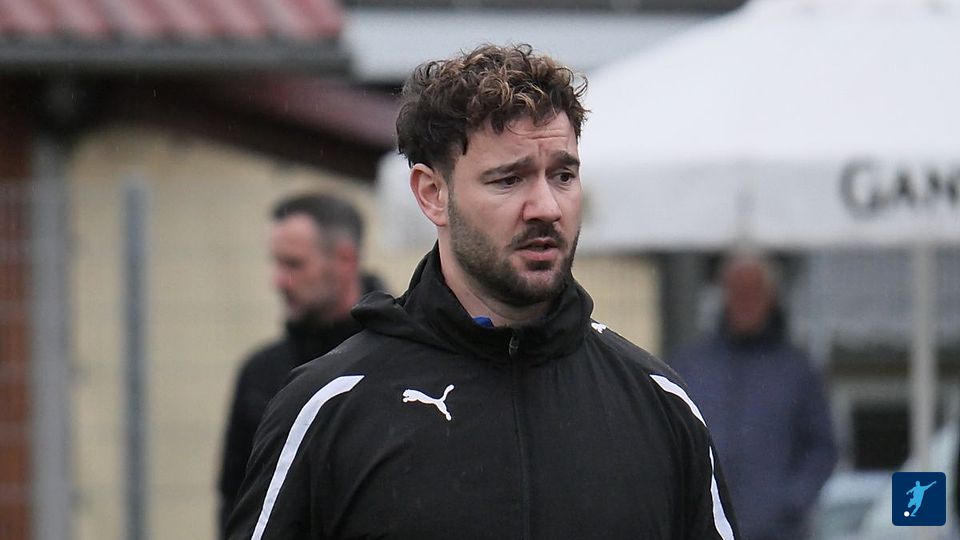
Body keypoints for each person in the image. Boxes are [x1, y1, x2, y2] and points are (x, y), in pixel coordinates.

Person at [225, 44, 739, 540]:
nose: (546, 207)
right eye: (508, 180)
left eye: (563, 175)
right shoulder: (331, 407)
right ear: (433, 194)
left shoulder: (658, 403)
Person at [217, 193, 385, 537]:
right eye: (276, 263)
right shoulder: (261, 373)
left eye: (293, 264)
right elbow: (235, 499)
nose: (278, 281)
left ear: (345, 260)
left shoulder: (400, 360)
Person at [669, 251, 838, 540]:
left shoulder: (796, 371)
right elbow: (670, 439)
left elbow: (822, 447)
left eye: (754, 291)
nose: (745, 301)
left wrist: (790, 502)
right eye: (738, 290)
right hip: (703, 529)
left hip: (776, 533)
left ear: (771, 298)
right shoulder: (691, 366)